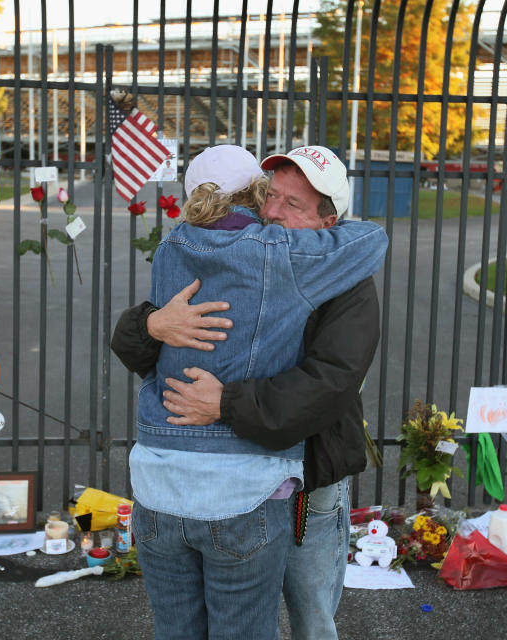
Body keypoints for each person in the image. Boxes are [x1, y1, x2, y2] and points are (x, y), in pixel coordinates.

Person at [112, 145, 383, 640]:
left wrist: (225, 402)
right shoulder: (237, 252)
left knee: (311, 617)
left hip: (311, 478)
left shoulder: (347, 283)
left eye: (293, 206)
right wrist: (153, 324)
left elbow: (331, 383)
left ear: (330, 223)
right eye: (270, 196)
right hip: (243, 482)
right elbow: (143, 348)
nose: (273, 214)